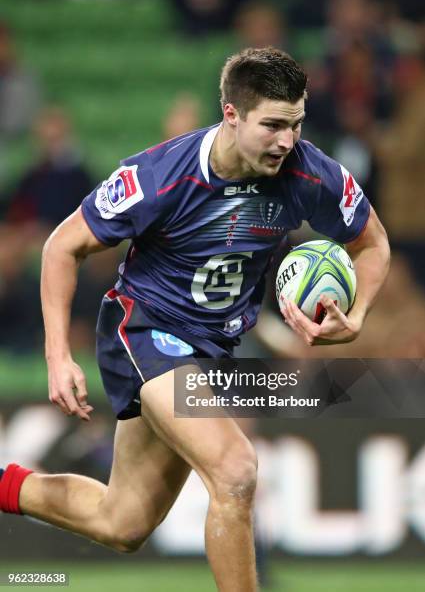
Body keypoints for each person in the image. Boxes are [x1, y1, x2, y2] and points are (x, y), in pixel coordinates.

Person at [0, 47, 390, 591]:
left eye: (296, 124)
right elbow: (61, 247)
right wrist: (58, 355)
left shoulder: (308, 173)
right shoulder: (158, 176)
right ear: (231, 114)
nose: (287, 141)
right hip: (145, 331)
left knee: (123, 521)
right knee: (236, 469)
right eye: (273, 125)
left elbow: (371, 241)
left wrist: (359, 313)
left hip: (213, 350)